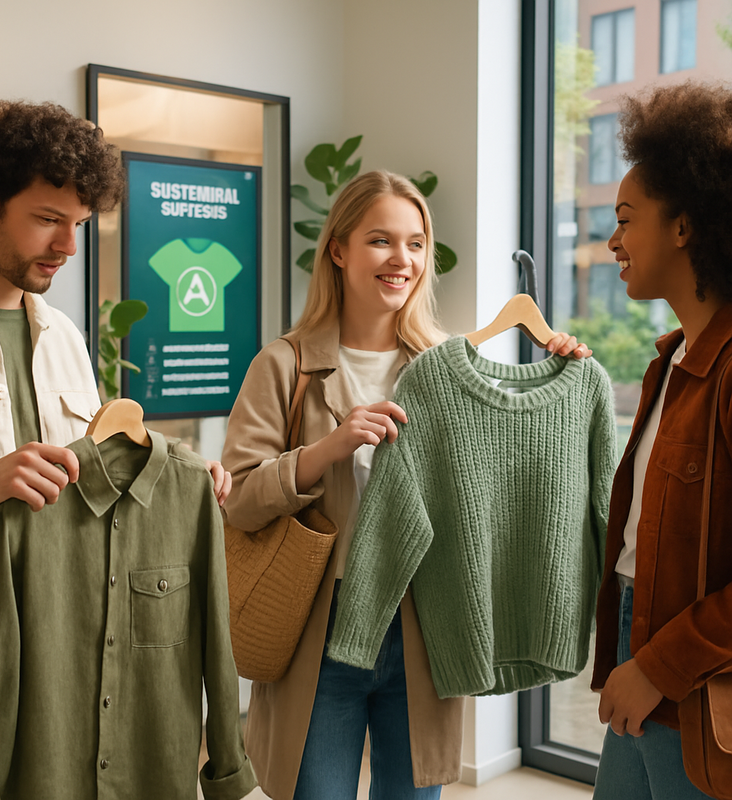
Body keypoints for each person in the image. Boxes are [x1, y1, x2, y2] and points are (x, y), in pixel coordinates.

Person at [222, 169, 592, 800]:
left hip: (426, 625)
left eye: (417, 243)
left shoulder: (448, 367)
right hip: (320, 624)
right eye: (381, 241)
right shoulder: (283, 364)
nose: (403, 260)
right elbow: (239, 501)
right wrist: (327, 450)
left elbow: (502, 474)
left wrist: (561, 366)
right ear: (337, 249)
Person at [0, 100, 230, 796]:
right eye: (48, 219)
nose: (69, 246)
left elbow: (98, 463)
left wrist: (175, 471)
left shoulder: (63, 334)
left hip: (59, 669)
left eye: (80, 225)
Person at [590, 81, 732, 799]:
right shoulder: (670, 361)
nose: (611, 240)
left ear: (685, 225)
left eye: (625, 219)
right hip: (641, 650)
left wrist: (656, 667)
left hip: (697, 684)